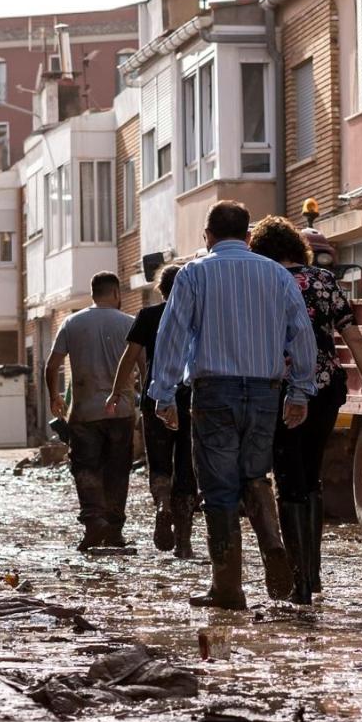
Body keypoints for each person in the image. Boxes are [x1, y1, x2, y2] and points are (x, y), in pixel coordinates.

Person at [147, 201, 317, 610]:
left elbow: (171, 335)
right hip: (265, 391)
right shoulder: (277, 274)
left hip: (214, 393)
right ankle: (272, 543)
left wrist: (163, 394)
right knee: (255, 474)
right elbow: (302, 335)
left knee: (219, 488)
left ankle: (227, 586)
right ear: (247, 237)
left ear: (207, 236)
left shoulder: (194, 274)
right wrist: (299, 392)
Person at [248, 216, 362, 604]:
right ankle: (312, 574)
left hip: (278, 390)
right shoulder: (325, 282)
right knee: (311, 476)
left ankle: (299, 581)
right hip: (325, 390)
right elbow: (353, 336)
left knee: (287, 476)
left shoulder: (262, 282)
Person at [104, 265, 197, 557]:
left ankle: (162, 505)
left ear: (161, 289)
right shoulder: (196, 313)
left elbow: (129, 357)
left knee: (159, 463)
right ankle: (183, 542)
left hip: (156, 398)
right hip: (192, 399)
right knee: (187, 466)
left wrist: (117, 392)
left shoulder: (147, 315)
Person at [47, 272, 135, 552]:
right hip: (121, 412)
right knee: (118, 470)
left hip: (84, 412)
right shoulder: (130, 324)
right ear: (117, 293)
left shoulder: (72, 323)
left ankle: (94, 521)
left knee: (85, 467)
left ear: (93, 293)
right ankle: (115, 531)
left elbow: (51, 366)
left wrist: (54, 396)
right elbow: (145, 367)